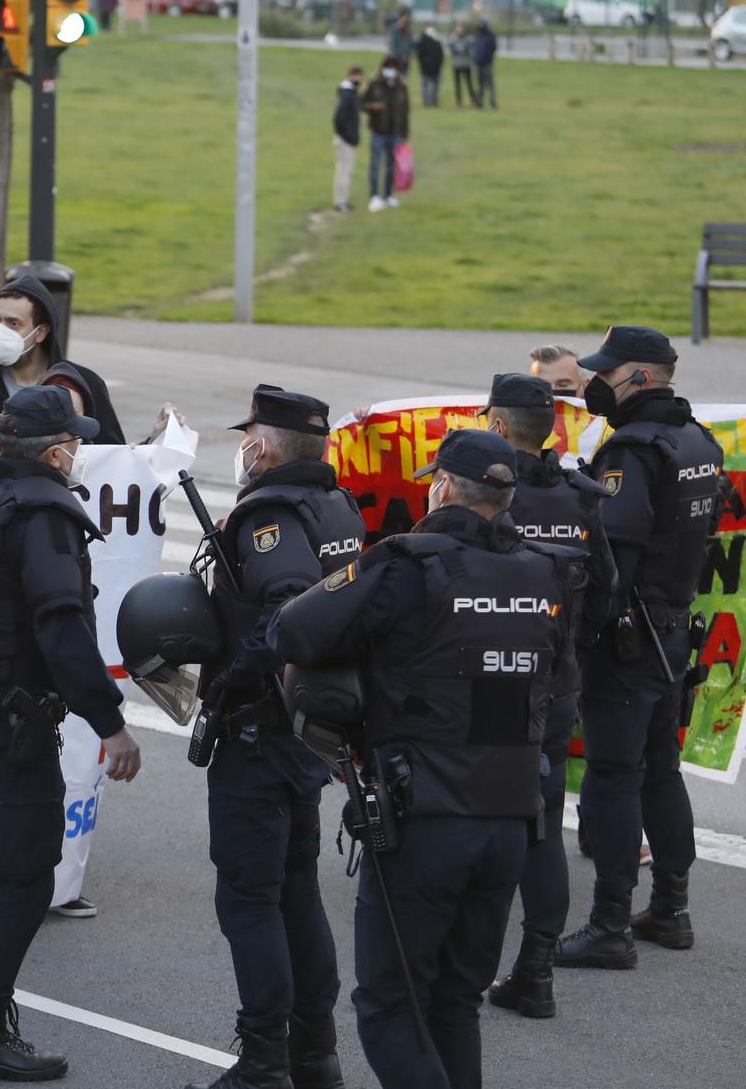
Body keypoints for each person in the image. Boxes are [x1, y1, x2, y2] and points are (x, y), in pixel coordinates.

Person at [275, 428, 589, 1089]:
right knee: (454, 1001)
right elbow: (557, 691)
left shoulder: (406, 564)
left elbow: (296, 629)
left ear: (443, 486)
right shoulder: (545, 571)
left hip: (425, 822)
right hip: (510, 824)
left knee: (390, 1006)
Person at [0, 386, 138, 1080]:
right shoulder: (44, 514)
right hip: (7, 725)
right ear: (51, 451)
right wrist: (111, 722)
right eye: (73, 440)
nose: (79, 450)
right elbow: (61, 624)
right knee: (21, 880)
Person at [187, 386, 366, 1089]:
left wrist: (233, 676)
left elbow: (285, 607)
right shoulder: (336, 505)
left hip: (261, 727)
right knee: (294, 888)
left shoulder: (270, 513)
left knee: (249, 896)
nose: (243, 446)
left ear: (261, 445)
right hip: (308, 728)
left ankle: (265, 1056)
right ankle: (313, 1051)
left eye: (248, 435)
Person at [554, 326, 723, 971]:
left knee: (613, 780)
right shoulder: (696, 441)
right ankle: (671, 910)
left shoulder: (632, 450)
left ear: (641, 379)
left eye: (606, 372)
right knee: (660, 771)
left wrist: (579, 636)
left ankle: (610, 924)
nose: (596, 383)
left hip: (628, 638)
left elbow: (611, 564)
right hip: (672, 630)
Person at [478, 373, 614, 1021]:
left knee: (467, 814)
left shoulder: (487, 496)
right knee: (542, 823)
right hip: (556, 685)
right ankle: (535, 971)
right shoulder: (582, 498)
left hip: (492, 685)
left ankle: (453, 964)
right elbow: (608, 591)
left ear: (499, 428)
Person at [0, 274, 121, 448]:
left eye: (13, 324)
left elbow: (111, 457)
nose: (0, 331)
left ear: (41, 332)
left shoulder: (83, 384)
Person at [361, 56, 410, 213]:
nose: (390, 71)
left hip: (395, 132)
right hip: (378, 131)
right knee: (375, 164)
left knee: (391, 165)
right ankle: (374, 196)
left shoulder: (402, 87)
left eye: (393, 68)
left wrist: (404, 133)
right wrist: (373, 107)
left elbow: (405, 111)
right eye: (387, 67)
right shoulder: (375, 84)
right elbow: (361, 103)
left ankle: (388, 195)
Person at [331, 64, 363, 214]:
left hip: (348, 137)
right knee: (344, 170)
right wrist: (344, 135)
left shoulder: (351, 93)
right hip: (346, 139)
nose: (359, 78)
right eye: (357, 75)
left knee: (345, 170)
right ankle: (341, 201)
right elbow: (339, 117)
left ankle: (343, 200)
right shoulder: (347, 94)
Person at [449, 23, 480, 108]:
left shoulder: (468, 39)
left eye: (461, 29)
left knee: (469, 83)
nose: (459, 31)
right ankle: (459, 101)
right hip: (457, 64)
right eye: (458, 29)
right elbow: (452, 48)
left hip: (466, 64)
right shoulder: (453, 39)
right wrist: (453, 38)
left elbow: (468, 49)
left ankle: (473, 100)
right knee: (457, 84)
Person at [415, 24, 445, 108]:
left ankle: (434, 100)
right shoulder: (423, 41)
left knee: (435, 85)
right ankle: (426, 101)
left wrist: (439, 64)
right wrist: (424, 63)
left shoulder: (437, 41)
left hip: (436, 68)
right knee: (426, 85)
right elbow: (420, 55)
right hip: (426, 68)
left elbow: (440, 55)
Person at [471, 18, 498, 109]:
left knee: (489, 84)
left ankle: (493, 101)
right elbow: (474, 49)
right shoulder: (478, 36)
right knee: (479, 84)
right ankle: (479, 102)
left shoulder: (490, 36)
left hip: (487, 63)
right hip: (478, 63)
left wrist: (487, 57)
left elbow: (493, 48)